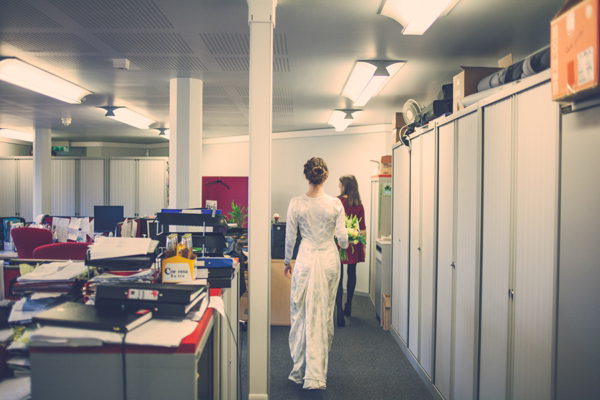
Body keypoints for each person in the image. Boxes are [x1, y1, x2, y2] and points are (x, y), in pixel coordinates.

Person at [283, 157, 348, 390]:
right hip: (329, 260)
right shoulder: (335, 204)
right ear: (325, 176)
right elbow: (343, 240)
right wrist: (347, 242)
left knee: (302, 313)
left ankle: (300, 370)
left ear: (306, 176)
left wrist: (286, 262)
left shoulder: (296, 203)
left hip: (306, 260)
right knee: (323, 313)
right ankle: (317, 372)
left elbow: (290, 237)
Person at [336, 175, 366, 327]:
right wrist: (363, 245)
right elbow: (363, 229)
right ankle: (348, 305)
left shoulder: (337, 202)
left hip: (339, 242)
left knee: (338, 277)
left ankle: (339, 312)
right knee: (352, 273)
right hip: (354, 242)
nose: (339, 187)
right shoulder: (359, 205)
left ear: (345, 186)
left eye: (340, 185)